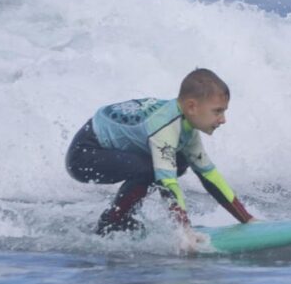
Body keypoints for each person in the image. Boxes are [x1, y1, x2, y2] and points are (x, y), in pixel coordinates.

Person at [65, 68, 255, 247]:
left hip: (109, 146)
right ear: (192, 107)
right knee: (153, 169)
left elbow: (209, 175)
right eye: (218, 111)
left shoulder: (186, 125)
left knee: (179, 162)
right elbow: (167, 181)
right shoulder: (165, 128)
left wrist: (247, 219)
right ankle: (112, 223)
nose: (223, 120)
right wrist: (185, 230)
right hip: (84, 154)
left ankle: (122, 216)